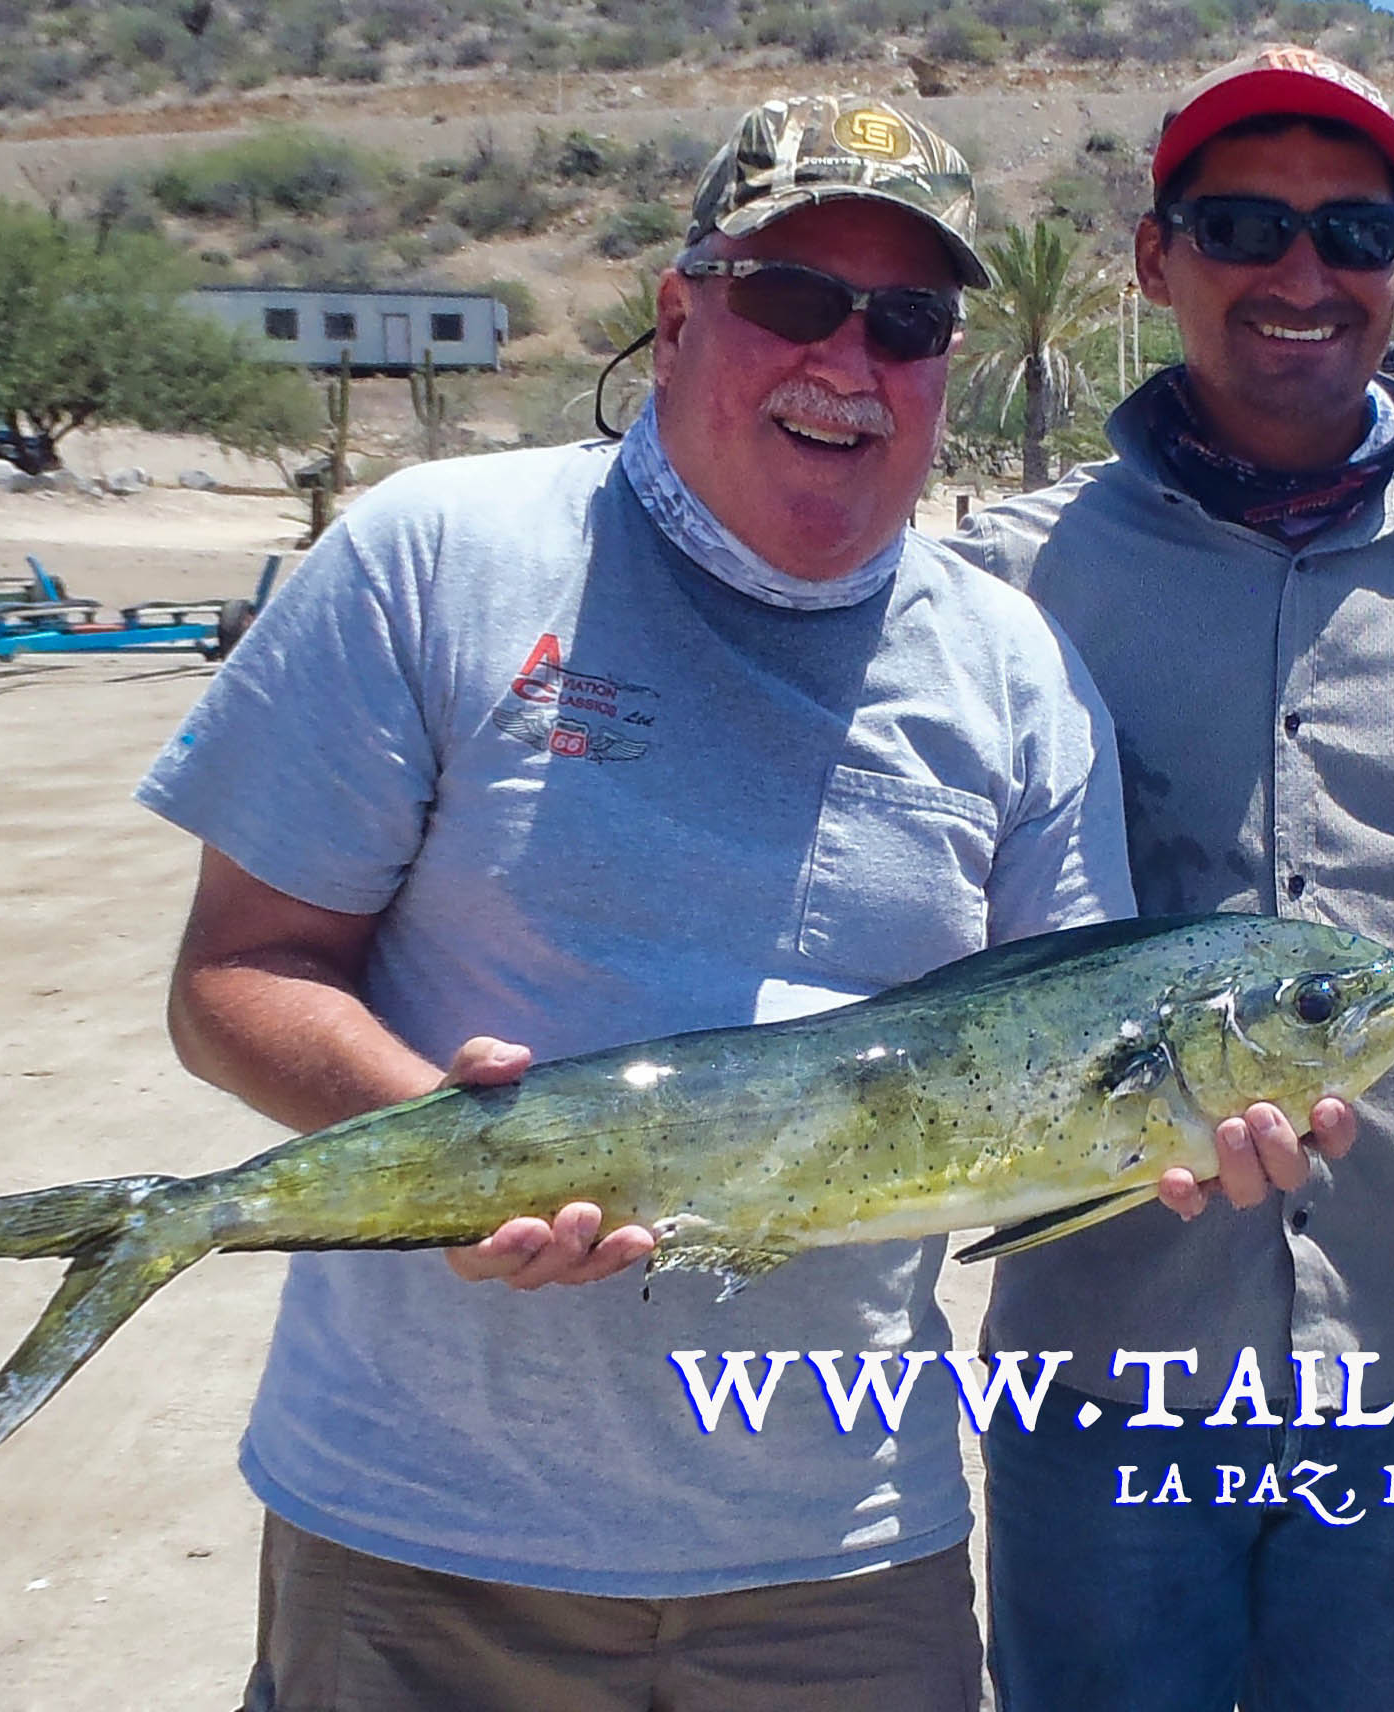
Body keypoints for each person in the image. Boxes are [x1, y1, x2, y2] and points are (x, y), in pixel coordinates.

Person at [143, 95, 1164, 1712]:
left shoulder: (1017, 672)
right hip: (424, 1538)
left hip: (843, 1555)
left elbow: (1061, 1063)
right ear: (679, 314)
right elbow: (238, 977)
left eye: (904, 321)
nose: (847, 359)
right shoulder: (436, 554)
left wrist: (1190, 1127)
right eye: (793, 297)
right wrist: (448, 1152)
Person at [945, 44, 1394, 1712]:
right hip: (1098, 1381)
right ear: (1152, 258)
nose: (1299, 273)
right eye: (1243, 225)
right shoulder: (1003, 592)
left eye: (1351, 232)